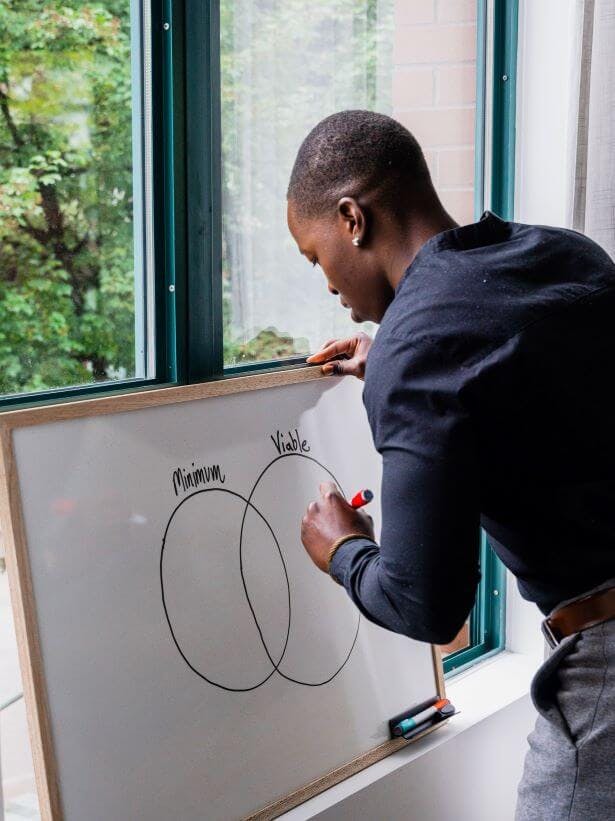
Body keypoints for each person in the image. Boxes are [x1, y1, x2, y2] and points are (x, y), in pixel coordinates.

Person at [287, 109, 615, 821]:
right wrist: (399, 365)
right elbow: (519, 371)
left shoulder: (419, 350)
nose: (328, 287)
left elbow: (426, 604)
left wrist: (342, 550)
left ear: (351, 219)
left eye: (315, 257)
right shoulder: (565, 254)